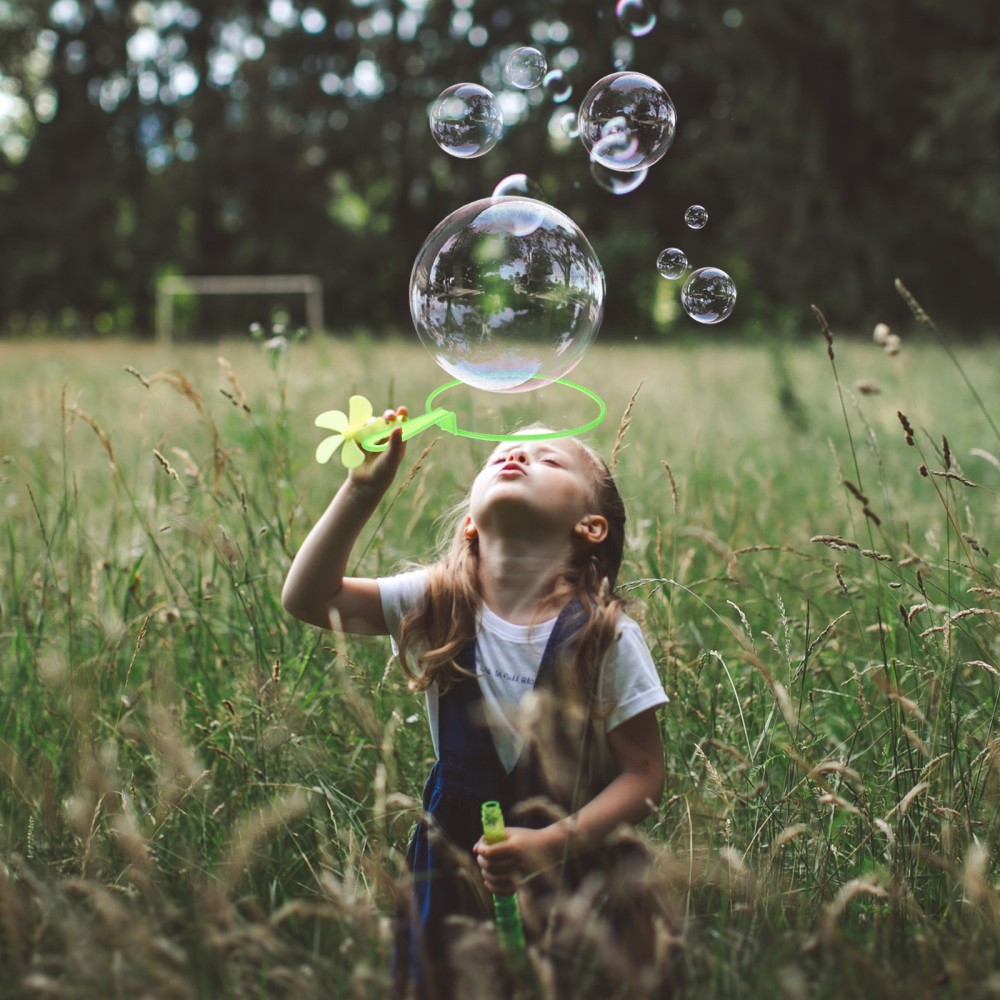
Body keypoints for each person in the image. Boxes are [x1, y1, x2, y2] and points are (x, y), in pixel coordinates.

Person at [282, 412, 673, 999]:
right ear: (470, 521)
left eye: (548, 459)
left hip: (575, 864)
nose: (516, 457)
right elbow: (310, 597)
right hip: (452, 857)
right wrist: (363, 488)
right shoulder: (436, 601)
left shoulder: (605, 636)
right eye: (500, 457)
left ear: (591, 526)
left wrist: (553, 842)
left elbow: (644, 774)